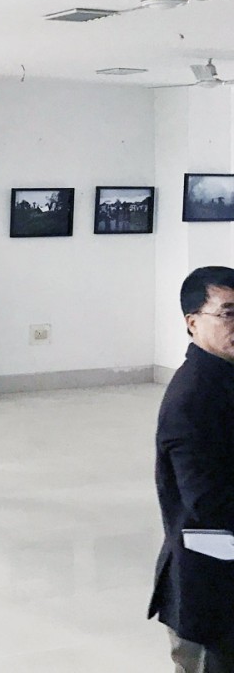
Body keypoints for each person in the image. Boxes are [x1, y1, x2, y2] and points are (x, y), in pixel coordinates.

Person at [149, 265, 234, 671]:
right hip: (210, 588)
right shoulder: (193, 398)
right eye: (228, 313)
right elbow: (208, 501)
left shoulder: (224, 377)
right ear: (192, 322)